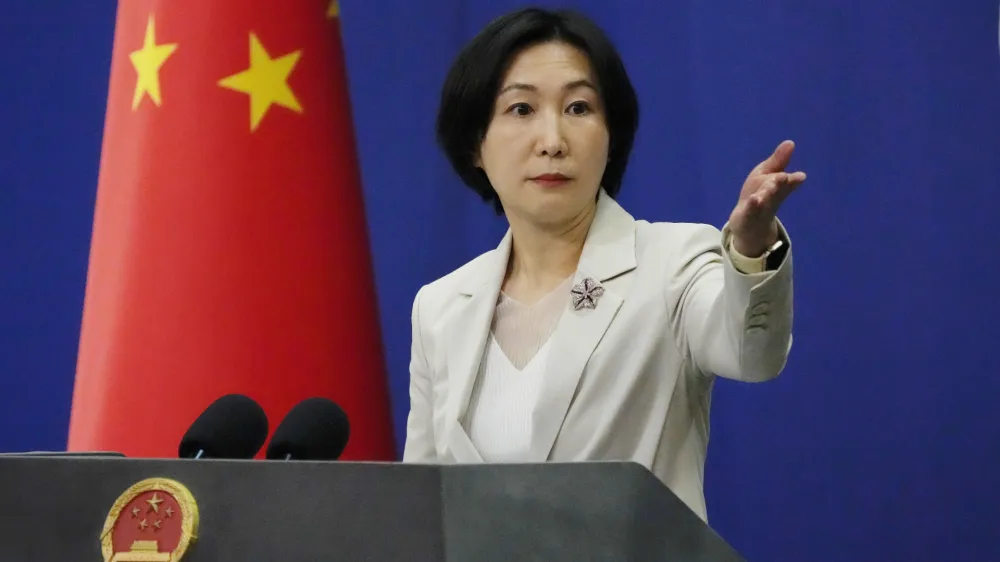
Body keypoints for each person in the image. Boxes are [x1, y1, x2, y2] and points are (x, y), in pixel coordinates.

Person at [401, 7, 804, 522]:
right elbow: (422, 506)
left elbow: (753, 354)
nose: (553, 140)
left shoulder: (672, 264)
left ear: (611, 137)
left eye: (578, 108)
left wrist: (751, 249)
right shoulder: (438, 308)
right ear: (474, 144)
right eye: (521, 109)